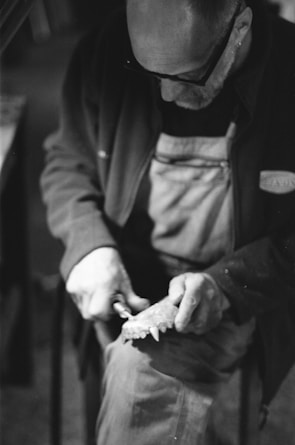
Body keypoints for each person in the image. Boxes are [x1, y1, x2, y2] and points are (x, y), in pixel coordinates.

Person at [41, 0, 295, 443]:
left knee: (139, 377)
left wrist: (226, 286)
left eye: (184, 78)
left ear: (240, 28)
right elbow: (67, 161)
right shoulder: (104, 50)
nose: (165, 95)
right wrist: (88, 246)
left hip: (240, 284)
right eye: (150, 74)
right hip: (124, 273)